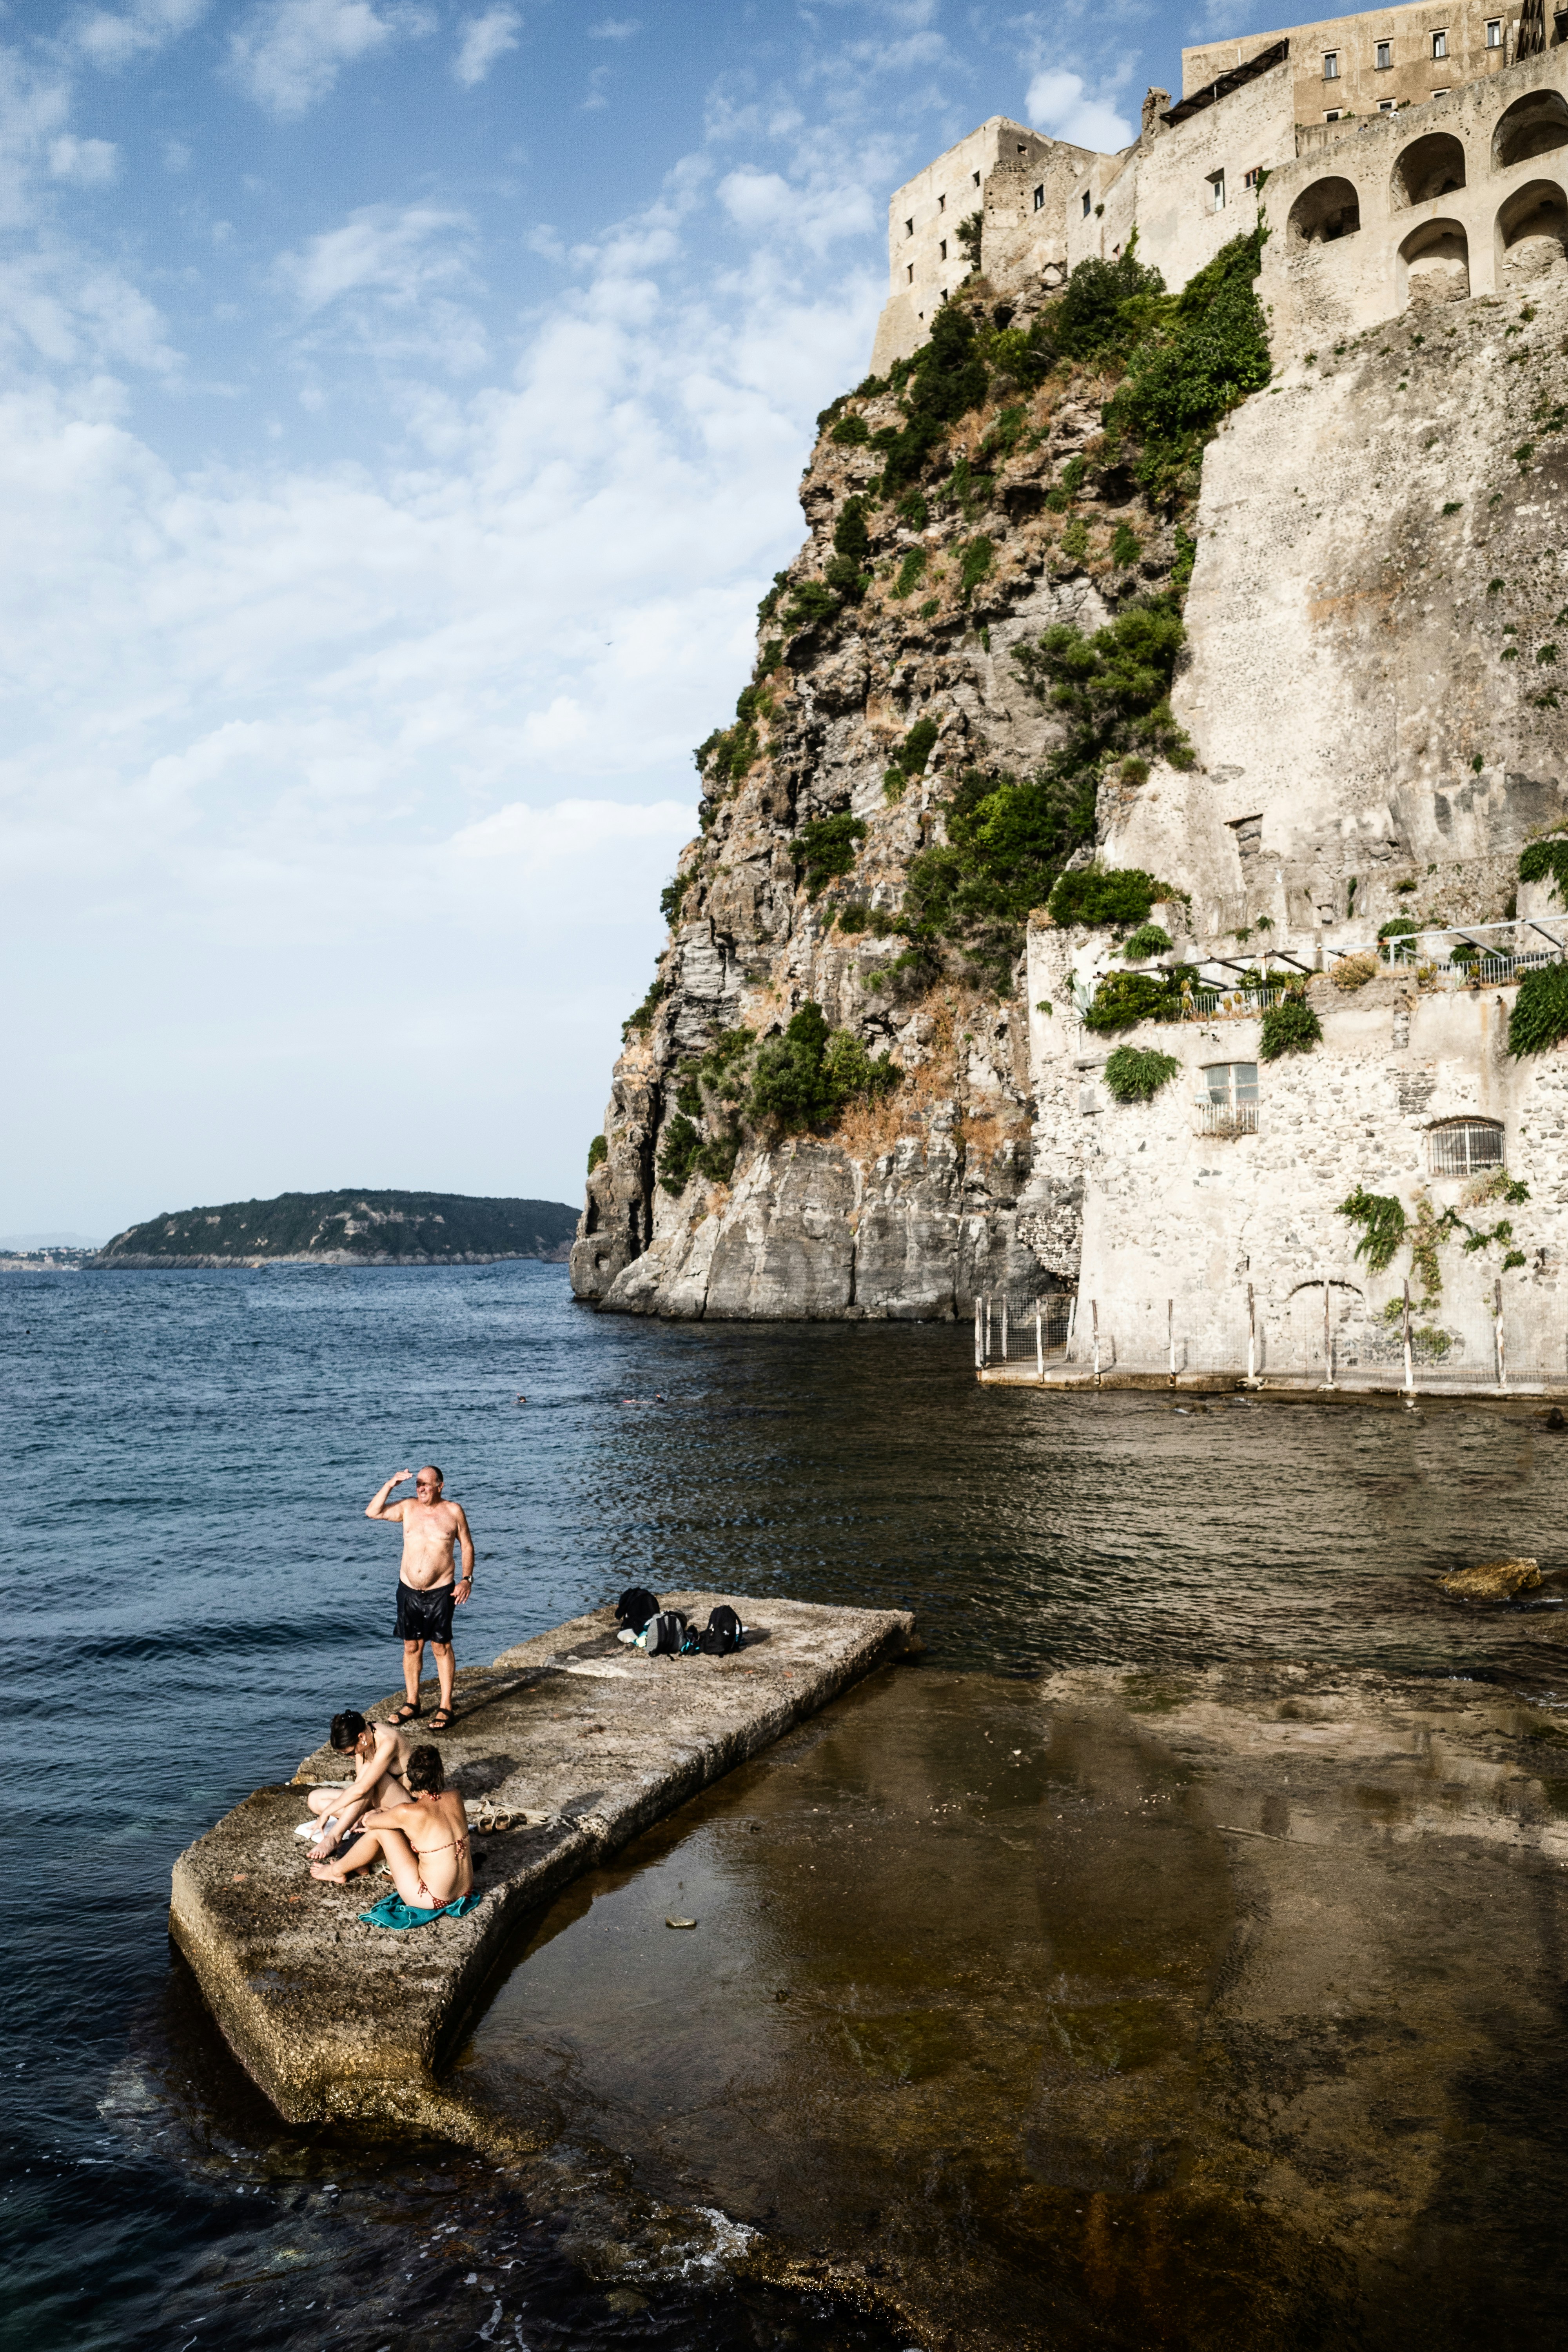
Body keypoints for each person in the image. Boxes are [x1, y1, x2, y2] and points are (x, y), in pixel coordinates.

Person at [365, 1464, 474, 1731]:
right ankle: (413, 1702)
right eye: (418, 1484)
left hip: (441, 1590)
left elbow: (467, 1545)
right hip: (409, 1590)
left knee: (441, 1647)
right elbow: (373, 1511)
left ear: (440, 1486)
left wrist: (466, 1579)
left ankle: (446, 1705)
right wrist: (392, 1483)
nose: (421, 1488)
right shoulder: (408, 1507)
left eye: (427, 1483)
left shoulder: (453, 1511)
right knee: (411, 1646)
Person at [309, 1743, 473, 1910]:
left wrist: (379, 1811)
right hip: (465, 1890)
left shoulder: (406, 1812)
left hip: (431, 1898)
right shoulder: (455, 1796)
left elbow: (369, 1822)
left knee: (382, 1831)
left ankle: (336, 1871)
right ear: (439, 1774)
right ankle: (353, 1865)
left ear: (411, 1777)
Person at [301, 1709, 417, 1863]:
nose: (350, 1757)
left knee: (368, 1770)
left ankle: (334, 1837)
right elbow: (359, 1786)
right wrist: (357, 1812)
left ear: (361, 1737)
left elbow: (362, 1789)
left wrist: (327, 1813)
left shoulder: (388, 1741)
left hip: (404, 1805)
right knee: (314, 1799)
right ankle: (364, 1819)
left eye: (350, 1753)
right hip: (377, 1800)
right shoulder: (364, 1741)